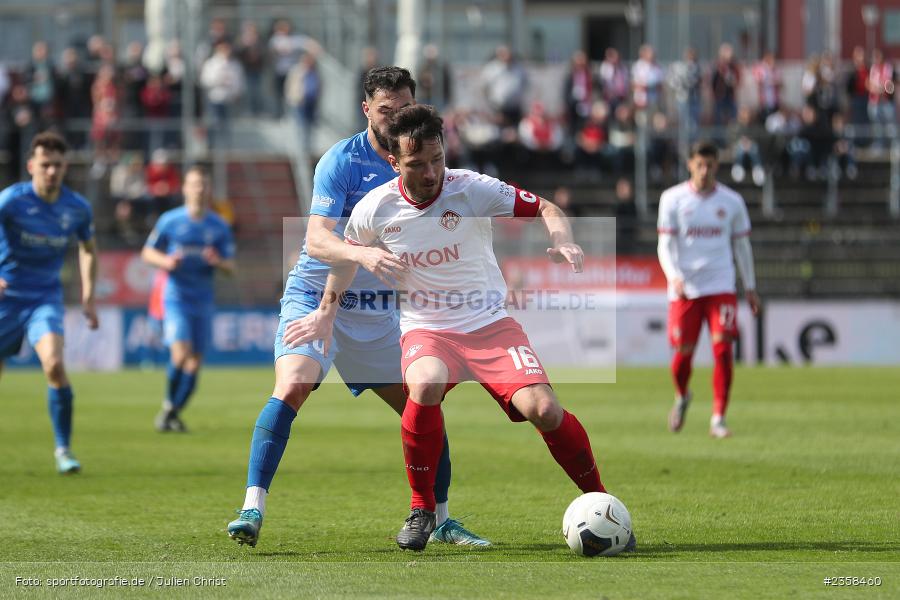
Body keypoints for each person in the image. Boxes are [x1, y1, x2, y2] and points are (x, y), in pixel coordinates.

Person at [284, 105, 631, 553]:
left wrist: (560, 237)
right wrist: (327, 311)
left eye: (437, 159)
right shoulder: (374, 208)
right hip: (427, 330)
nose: (431, 173)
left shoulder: (472, 189)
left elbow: (545, 206)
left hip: (489, 324)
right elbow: (347, 263)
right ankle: (421, 509)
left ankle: (599, 502)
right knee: (424, 384)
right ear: (394, 163)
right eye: (417, 164)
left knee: (544, 410)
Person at [225, 67, 489, 549]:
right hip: (316, 296)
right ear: (367, 110)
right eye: (385, 110)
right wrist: (362, 253)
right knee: (292, 386)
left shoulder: (426, 160)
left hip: (375, 308)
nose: (395, 118)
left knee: (422, 403)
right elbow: (317, 239)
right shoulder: (340, 162)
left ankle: (443, 518)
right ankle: (251, 507)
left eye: (403, 108)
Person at [0, 131, 98, 474]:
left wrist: (87, 296)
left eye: (57, 165)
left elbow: (87, 248)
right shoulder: (10, 200)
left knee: (54, 365)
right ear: (31, 166)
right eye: (45, 165)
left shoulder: (77, 208)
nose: (52, 172)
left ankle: (63, 450)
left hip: (45, 298)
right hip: (6, 299)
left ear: (65, 166)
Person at [656, 141, 761, 439]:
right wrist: (674, 276)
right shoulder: (672, 199)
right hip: (685, 289)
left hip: (721, 286)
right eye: (699, 165)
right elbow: (665, 244)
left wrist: (750, 287)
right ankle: (682, 395)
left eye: (710, 165)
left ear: (717, 165)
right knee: (682, 358)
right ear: (690, 164)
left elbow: (742, 246)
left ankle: (718, 418)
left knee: (723, 349)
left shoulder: (732, 202)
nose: (705, 171)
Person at [141, 166, 236, 432]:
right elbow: (147, 253)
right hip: (176, 298)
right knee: (180, 354)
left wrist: (218, 262)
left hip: (203, 299)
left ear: (209, 189)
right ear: (184, 188)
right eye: (194, 184)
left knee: (195, 362)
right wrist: (166, 261)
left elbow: (231, 268)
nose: (200, 189)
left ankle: (171, 412)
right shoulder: (170, 221)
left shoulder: (218, 226)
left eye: (204, 184)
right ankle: (170, 407)